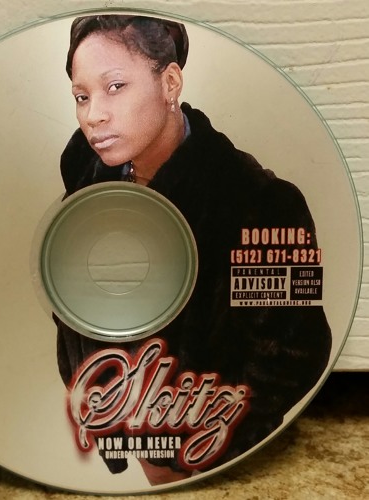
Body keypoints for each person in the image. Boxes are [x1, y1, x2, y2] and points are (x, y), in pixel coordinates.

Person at [54, 14, 332, 485]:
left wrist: (197, 446)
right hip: (121, 423)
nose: (92, 115)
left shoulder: (261, 203)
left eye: (115, 87)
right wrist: (110, 413)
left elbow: (295, 355)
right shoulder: (86, 168)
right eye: (82, 96)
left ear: (170, 82)